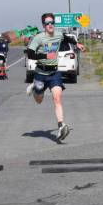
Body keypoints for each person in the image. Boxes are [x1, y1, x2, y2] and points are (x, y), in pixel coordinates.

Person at [26, 13, 84, 141]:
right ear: (43, 25)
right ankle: (35, 89)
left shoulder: (58, 34)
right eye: (47, 23)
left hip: (54, 73)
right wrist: (45, 57)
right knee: (39, 100)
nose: (50, 25)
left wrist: (77, 44)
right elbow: (30, 54)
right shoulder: (38, 38)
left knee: (57, 98)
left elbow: (67, 38)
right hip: (40, 73)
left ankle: (61, 126)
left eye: (52, 22)